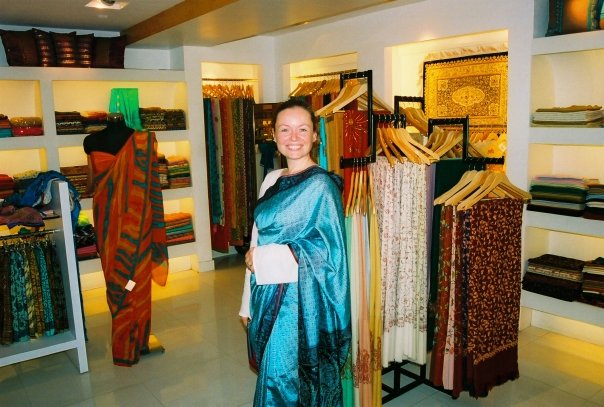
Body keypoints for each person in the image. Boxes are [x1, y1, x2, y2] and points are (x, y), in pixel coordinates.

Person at [239, 99, 351, 406]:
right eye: (284, 129)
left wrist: (264, 259)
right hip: (265, 294)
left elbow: (330, 256)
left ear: (315, 136)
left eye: (302, 129)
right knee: (274, 379)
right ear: (274, 136)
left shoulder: (321, 186)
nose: (293, 137)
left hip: (299, 307)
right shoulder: (271, 179)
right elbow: (257, 242)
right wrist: (247, 304)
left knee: (287, 382)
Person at [83, 113, 169, 366]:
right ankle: (137, 339)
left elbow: (90, 185)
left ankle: (128, 339)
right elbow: (151, 184)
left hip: (112, 220)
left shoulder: (92, 142)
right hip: (134, 220)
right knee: (133, 277)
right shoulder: (142, 141)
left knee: (120, 277)